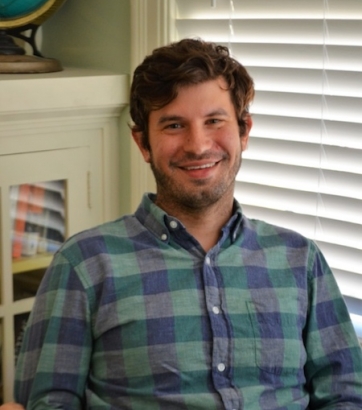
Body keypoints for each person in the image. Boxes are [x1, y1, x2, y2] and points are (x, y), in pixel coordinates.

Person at [7, 39, 362, 409]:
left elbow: (345, 395)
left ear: (244, 132)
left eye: (214, 121)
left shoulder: (300, 260)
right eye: (174, 125)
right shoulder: (84, 264)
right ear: (143, 143)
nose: (197, 145)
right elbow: (49, 402)